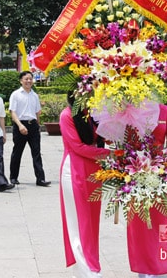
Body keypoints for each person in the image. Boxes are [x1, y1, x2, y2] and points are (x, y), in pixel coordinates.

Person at [60, 92, 111, 277]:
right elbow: (78, 147)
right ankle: (88, 270)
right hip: (74, 171)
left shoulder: (91, 115)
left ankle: (89, 265)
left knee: (91, 222)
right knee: (79, 222)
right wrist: (109, 155)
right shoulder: (67, 116)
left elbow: (103, 138)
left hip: (93, 171)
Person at [127, 104, 167, 278]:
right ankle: (142, 267)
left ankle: (160, 264)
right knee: (139, 224)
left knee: (161, 222)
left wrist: (160, 167)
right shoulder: (130, 110)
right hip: (135, 173)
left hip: (159, 175)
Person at [9, 71, 50, 187]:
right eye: (26, 79)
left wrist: (38, 125)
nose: (28, 81)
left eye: (30, 79)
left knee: (36, 153)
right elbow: (13, 112)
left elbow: (37, 112)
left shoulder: (34, 95)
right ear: (21, 81)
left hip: (33, 126)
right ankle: (13, 177)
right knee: (17, 152)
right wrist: (20, 125)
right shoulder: (15, 94)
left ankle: (40, 179)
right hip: (20, 125)